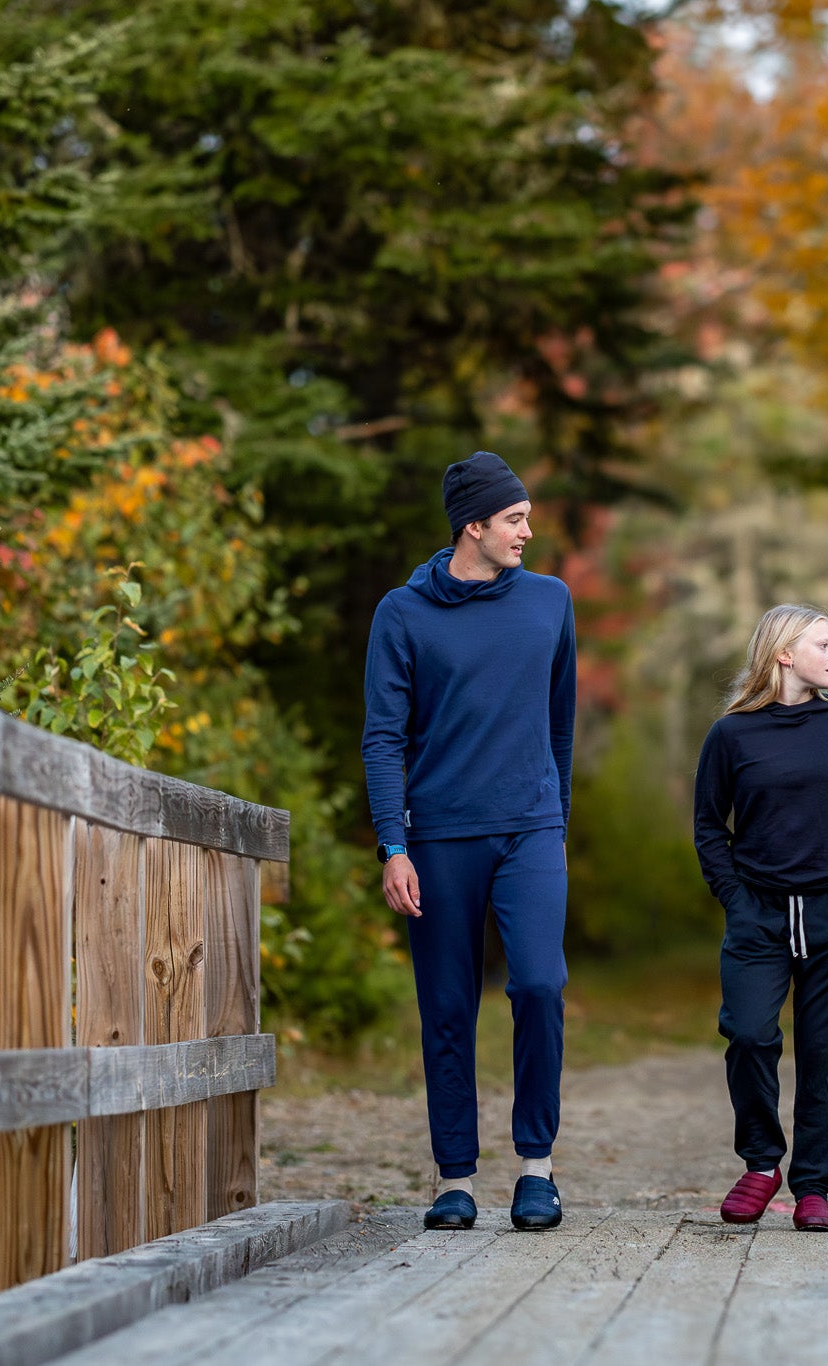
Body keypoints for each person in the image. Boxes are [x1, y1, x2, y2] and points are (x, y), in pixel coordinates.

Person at [362, 450, 577, 1234]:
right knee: (447, 1005)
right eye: (514, 519)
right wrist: (394, 845)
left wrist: (556, 812)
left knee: (538, 986)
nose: (528, 530)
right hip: (439, 837)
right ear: (473, 525)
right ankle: (454, 1178)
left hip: (530, 829)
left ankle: (536, 1169)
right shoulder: (403, 614)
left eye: (526, 516)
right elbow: (383, 738)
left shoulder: (550, 602)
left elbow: (561, 722)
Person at [693, 605, 828, 1234]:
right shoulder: (731, 735)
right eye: (824, 644)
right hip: (757, 918)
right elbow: (708, 825)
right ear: (784, 653)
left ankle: (812, 1185)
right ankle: (760, 1163)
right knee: (749, 1033)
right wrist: (735, 897)